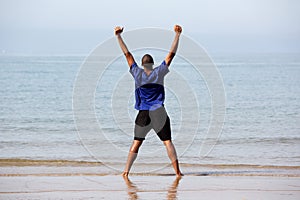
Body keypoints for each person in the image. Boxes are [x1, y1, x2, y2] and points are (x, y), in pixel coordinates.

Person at [114, 25, 183, 177]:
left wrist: (119, 36)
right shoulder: (159, 72)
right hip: (159, 112)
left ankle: (126, 172)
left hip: (143, 113)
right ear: (152, 64)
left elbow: (127, 55)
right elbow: (171, 55)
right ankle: (178, 173)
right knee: (168, 142)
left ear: (142, 64)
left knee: (136, 143)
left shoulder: (137, 73)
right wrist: (177, 35)